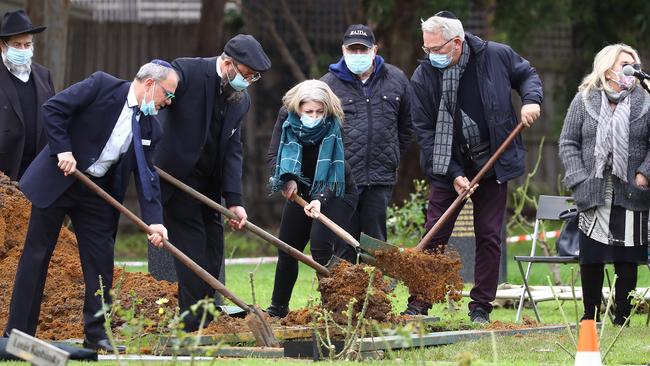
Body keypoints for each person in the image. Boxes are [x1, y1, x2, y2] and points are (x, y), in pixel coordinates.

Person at [3, 60, 177, 351]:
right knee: (37, 254)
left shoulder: (150, 126)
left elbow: (147, 177)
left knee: (100, 261)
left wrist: (155, 221)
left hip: (96, 192)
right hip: (60, 178)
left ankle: (97, 334)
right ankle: (18, 332)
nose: (168, 102)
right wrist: (63, 149)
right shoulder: (101, 85)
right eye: (167, 94)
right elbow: (54, 109)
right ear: (149, 84)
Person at [410, 11, 542, 323]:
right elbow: (426, 134)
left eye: (435, 49)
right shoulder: (423, 77)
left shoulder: (495, 56)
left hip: (491, 162)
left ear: (456, 43)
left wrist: (531, 100)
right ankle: (419, 303)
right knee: (435, 233)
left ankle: (481, 306)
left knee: (489, 235)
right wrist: (455, 174)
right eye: (425, 49)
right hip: (446, 164)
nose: (429, 56)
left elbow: (528, 76)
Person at [155, 34, 271, 331]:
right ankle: (193, 323)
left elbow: (234, 149)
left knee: (213, 251)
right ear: (228, 63)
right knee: (192, 249)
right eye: (246, 74)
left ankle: (208, 315)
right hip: (177, 181)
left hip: (209, 186)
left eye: (253, 77)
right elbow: (156, 85)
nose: (248, 81)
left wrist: (234, 200)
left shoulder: (239, 99)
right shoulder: (187, 72)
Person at [559, 44, 649, 325]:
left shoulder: (645, 101)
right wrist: (578, 178)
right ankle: (591, 316)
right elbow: (568, 142)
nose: (631, 70)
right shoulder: (584, 99)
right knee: (593, 257)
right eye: (625, 64)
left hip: (632, 190)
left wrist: (645, 174)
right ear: (607, 68)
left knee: (627, 257)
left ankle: (622, 315)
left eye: (634, 64)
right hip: (593, 189)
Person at [265, 79, 358, 318]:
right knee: (287, 248)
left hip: (336, 190)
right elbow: (273, 155)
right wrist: (287, 181)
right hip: (301, 190)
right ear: (298, 108)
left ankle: (336, 311)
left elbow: (332, 169)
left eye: (319, 111)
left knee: (321, 248)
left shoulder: (333, 124)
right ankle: (277, 310)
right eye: (309, 111)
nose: (314, 116)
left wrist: (319, 199)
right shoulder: (286, 120)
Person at [321, 24, 412, 261]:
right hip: (341, 178)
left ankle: (377, 297)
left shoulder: (396, 79)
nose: (358, 55)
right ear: (343, 50)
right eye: (353, 50)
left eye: (363, 49)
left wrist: (391, 155)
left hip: (380, 177)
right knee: (344, 244)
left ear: (375, 50)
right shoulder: (327, 85)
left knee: (376, 243)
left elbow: (406, 126)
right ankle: (344, 296)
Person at [0, 10, 55, 180]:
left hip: (37, 173)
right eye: (17, 45)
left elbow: (53, 117)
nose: (23, 50)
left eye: (27, 45)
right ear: (2, 45)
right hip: (5, 173)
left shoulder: (43, 75)